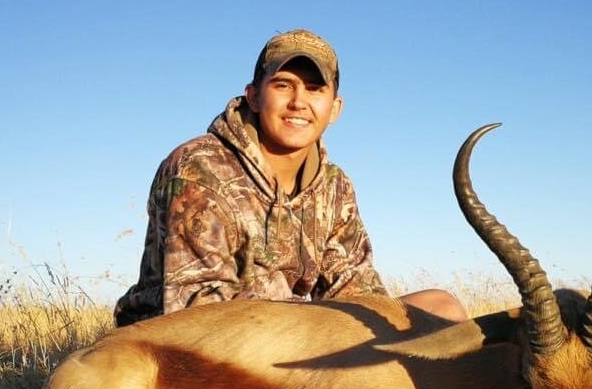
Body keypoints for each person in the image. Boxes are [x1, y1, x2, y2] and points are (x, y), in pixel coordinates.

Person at [115, 29, 466, 327]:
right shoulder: (199, 166)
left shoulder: (334, 186)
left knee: (442, 309)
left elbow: (355, 293)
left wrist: (366, 336)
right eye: (284, 85)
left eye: (315, 89)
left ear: (335, 108)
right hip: (185, 352)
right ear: (253, 96)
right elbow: (200, 313)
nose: (299, 102)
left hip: (294, 335)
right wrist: (315, 332)